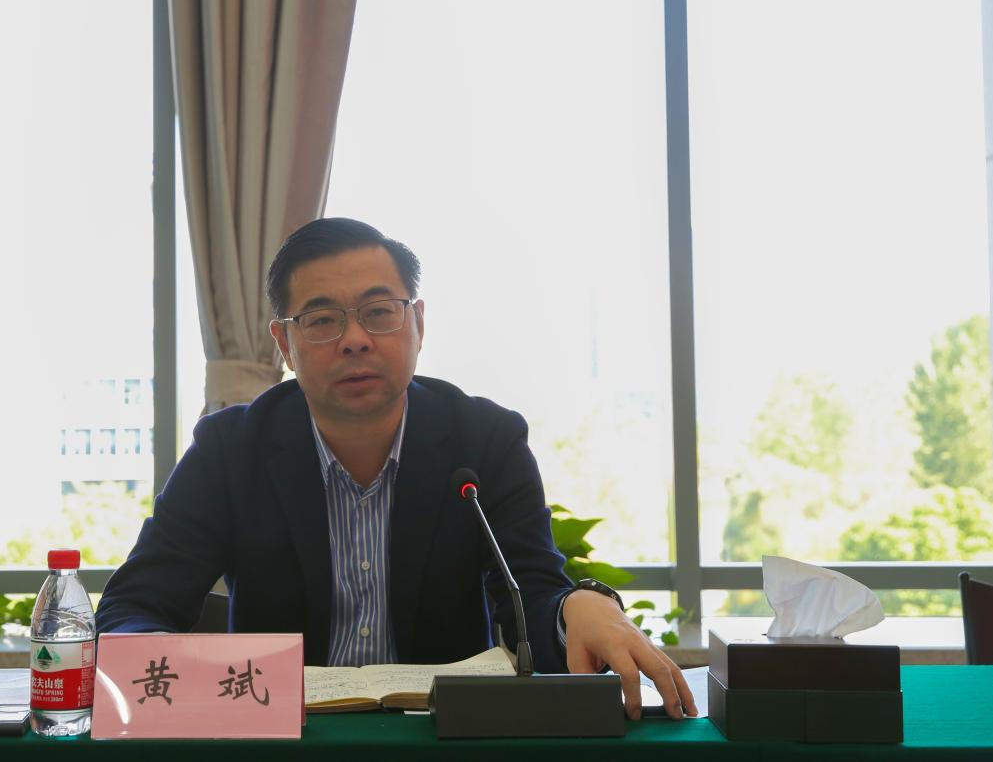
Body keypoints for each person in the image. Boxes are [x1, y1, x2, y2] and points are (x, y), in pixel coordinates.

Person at [96, 218, 695, 720]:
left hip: (438, 741)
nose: (355, 339)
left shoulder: (485, 441)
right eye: (322, 320)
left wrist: (574, 609)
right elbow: (134, 605)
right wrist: (176, 671)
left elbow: (531, 601)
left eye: (379, 312)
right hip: (285, 743)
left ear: (418, 324)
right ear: (284, 344)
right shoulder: (231, 449)